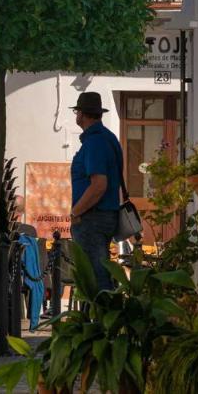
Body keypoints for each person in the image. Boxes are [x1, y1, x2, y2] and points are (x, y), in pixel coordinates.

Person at [69, 91, 123, 291]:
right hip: (103, 215)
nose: (76, 116)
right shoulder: (108, 138)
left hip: (93, 218)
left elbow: (99, 185)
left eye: (77, 111)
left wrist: (76, 212)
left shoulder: (95, 142)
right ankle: (97, 318)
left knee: (95, 277)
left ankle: (101, 319)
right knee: (97, 274)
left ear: (81, 114)